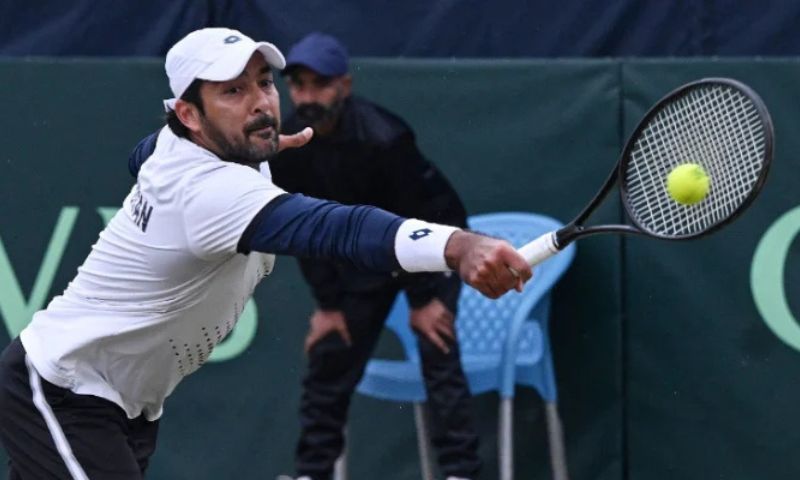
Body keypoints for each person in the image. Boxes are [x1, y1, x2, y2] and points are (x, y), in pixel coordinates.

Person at [0, 28, 532, 479]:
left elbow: (143, 155)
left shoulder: (186, 148)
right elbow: (337, 229)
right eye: (233, 91)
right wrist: (457, 245)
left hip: (125, 404)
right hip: (64, 386)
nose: (261, 102)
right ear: (188, 113)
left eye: (263, 83)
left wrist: (247, 145)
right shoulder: (207, 190)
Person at [269, 33, 481, 480]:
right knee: (330, 353)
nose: (307, 97)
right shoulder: (289, 146)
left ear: (343, 85)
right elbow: (304, 231)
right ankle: (312, 472)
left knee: (436, 345)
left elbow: (424, 216)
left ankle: (460, 472)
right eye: (298, 85)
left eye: (319, 84)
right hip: (362, 263)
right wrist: (328, 306)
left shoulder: (386, 139)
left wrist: (425, 300)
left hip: (431, 247)